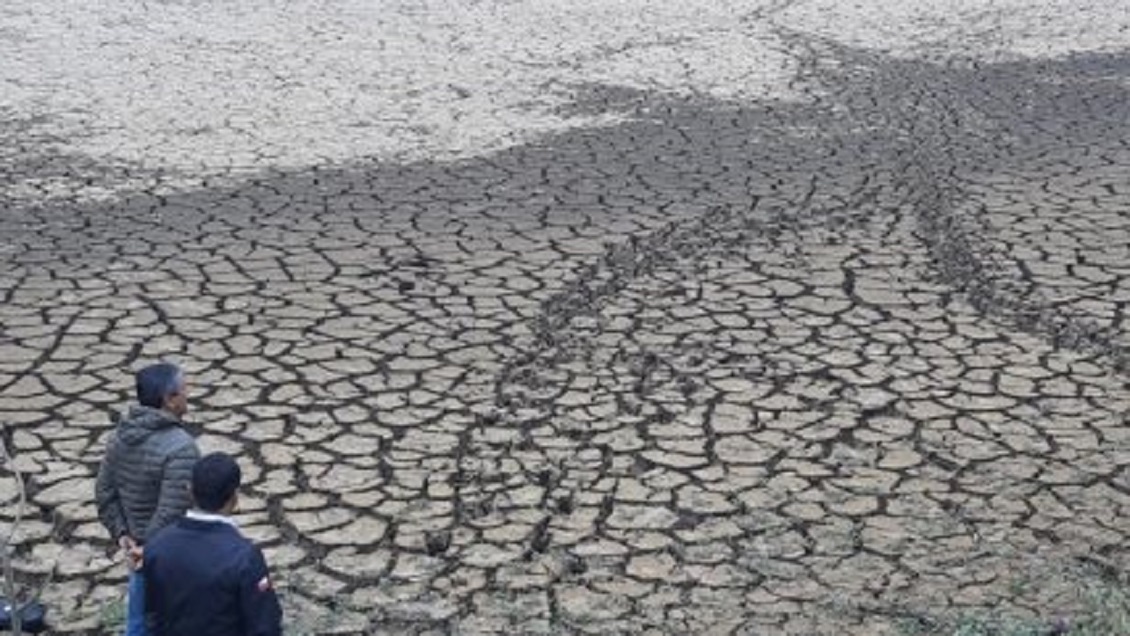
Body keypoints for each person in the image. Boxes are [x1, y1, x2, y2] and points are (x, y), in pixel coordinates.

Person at [95, 362, 200, 636]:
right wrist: (147, 549)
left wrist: (123, 535)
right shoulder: (181, 447)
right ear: (169, 399)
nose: (188, 394)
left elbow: (104, 492)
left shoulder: (119, 436)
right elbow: (172, 512)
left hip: (136, 548)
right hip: (169, 556)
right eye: (184, 389)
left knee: (139, 621)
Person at [143, 452, 283, 636]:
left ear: (190, 491)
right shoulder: (245, 557)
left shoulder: (157, 546)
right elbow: (265, 626)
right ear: (234, 498)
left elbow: (151, 616)